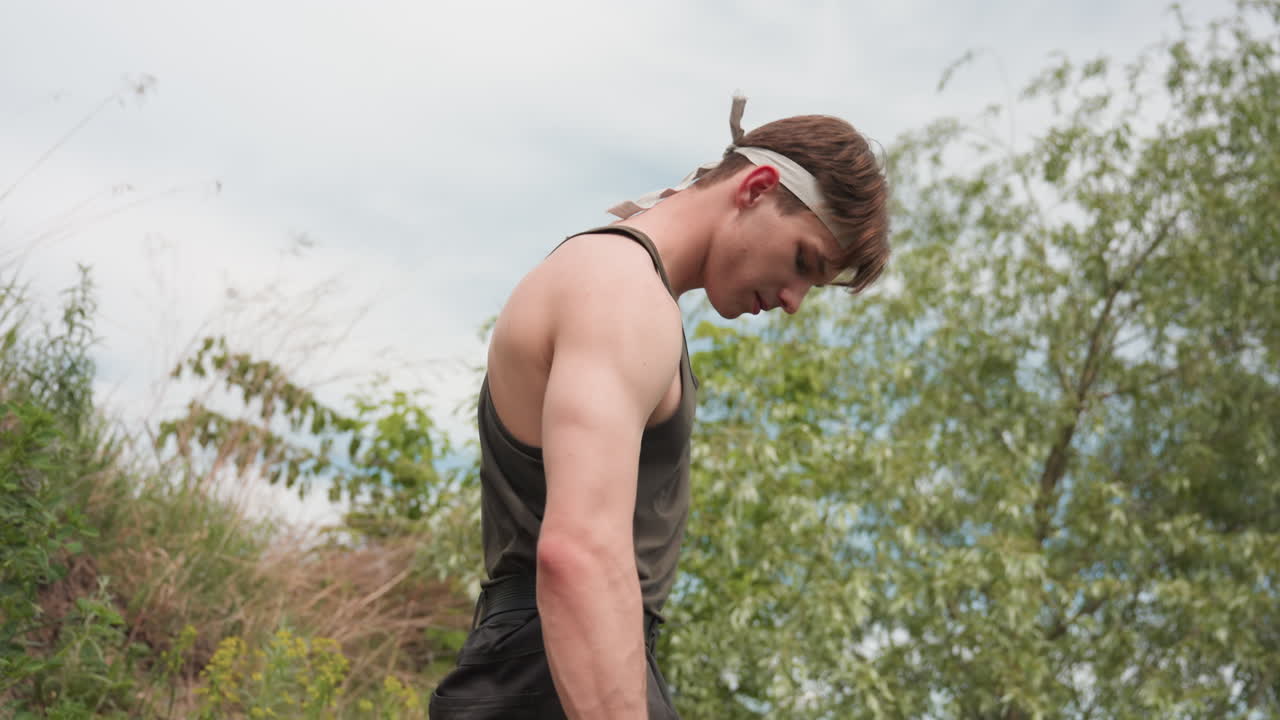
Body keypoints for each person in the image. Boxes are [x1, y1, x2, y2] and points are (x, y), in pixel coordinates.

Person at [428, 96, 891, 719]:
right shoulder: (622, 292)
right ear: (756, 187)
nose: (793, 300)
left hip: (545, 670)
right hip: (552, 677)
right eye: (804, 261)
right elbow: (582, 555)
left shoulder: (608, 280)